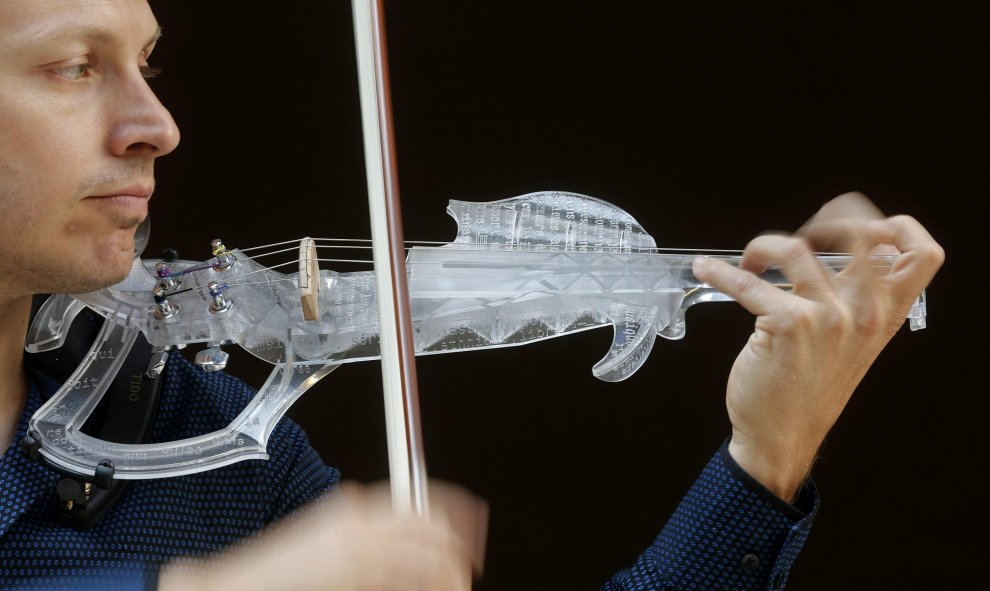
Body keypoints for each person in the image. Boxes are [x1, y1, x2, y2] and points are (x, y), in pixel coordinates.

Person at [0, 1, 944, 590]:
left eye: (146, 62)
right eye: (74, 66)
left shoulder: (193, 439)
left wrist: (767, 450)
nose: (156, 124)